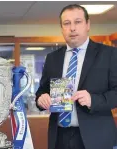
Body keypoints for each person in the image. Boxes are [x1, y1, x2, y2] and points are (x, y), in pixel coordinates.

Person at [35, 4, 117, 149]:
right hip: (59, 137)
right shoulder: (52, 58)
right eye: (67, 23)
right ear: (62, 29)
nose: (72, 28)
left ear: (87, 25)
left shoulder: (109, 54)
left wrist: (93, 100)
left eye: (77, 22)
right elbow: (42, 90)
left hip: (96, 138)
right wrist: (41, 99)